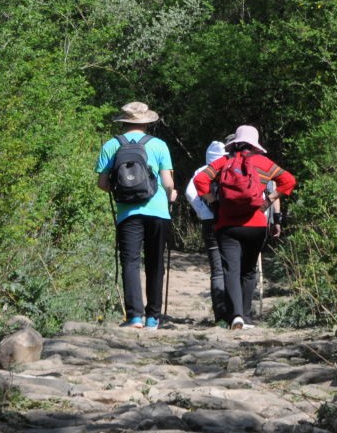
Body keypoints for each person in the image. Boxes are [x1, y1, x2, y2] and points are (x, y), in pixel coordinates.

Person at [192, 125, 295, 330]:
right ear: (255, 145)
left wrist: (214, 203)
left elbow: (200, 179)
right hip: (256, 224)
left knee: (231, 270)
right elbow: (288, 181)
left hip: (227, 225)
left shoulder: (225, 161)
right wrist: (269, 201)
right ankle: (247, 317)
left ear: (235, 143)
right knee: (248, 271)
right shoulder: (264, 163)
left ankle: (235, 316)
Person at [95, 101, 176, 329]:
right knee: (155, 262)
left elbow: (102, 184)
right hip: (158, 210)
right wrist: (172, 194)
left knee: (130, 262)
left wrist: (123, 190)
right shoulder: (159, 145)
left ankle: (134, 317)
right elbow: (168, 183)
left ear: (124, 121)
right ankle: (153, 317)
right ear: (147, 122)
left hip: (127, 213)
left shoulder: (111, 145)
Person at [184, 140, 230, 324]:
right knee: (235, 267)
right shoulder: (231, 166)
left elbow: (190, 193)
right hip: (232, 221)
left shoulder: (201, 171)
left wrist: (204, 212)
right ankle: (237, 313)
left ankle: (220, 317)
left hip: (210, 222)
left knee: (217, 270)